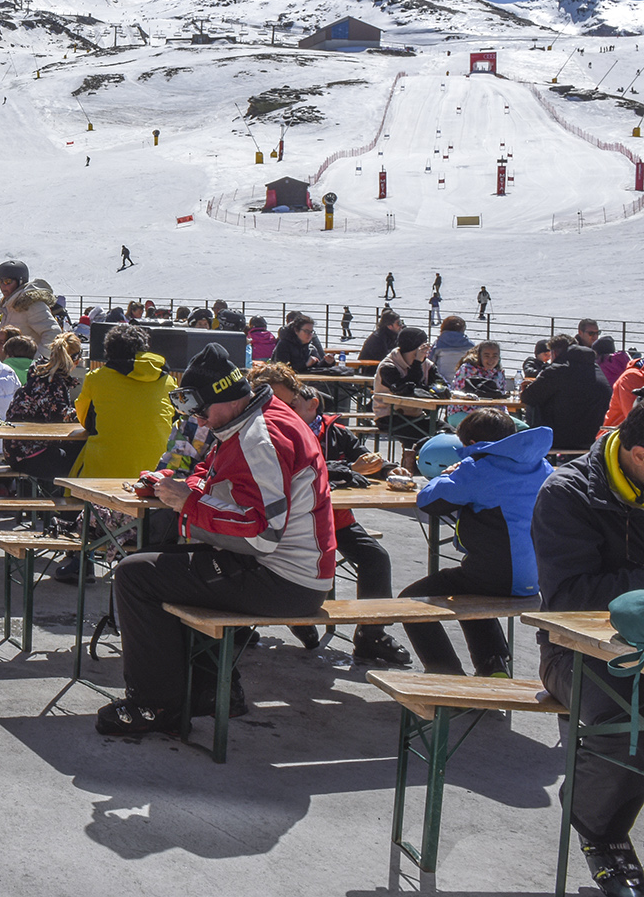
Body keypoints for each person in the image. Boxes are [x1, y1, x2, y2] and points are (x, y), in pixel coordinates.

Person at [96, 345, 335, 736]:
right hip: (282, 569)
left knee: (135, 575)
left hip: (285, 578)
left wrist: (189, 503)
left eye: (202, 408)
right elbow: (211, 475)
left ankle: (157, 704)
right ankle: (211, 690)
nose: (197, 417)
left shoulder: (261, 437)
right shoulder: (247, 421)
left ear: (226, 396)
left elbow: (262, 531)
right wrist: (176, 488)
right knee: (164, 560)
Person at [533, 402, 644, 888]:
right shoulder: (567, 493)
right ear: (639, 455)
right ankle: (601, 830)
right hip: (574, 651)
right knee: (632, 715)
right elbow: (567, 598)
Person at [258, 363, 410, 666]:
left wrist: (390, 469)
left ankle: (371, 634)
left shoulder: (336, 433)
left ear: (307, 403)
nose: (281, 410)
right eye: (271, 403)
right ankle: (276, 624)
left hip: (332, 520)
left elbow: (364, 458)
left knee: (375, 558)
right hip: (278, 523)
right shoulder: (262, 431)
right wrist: (346, 471)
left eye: (288, 404)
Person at [397, 409, 552, 677]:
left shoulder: (479, 468)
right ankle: (493, 665)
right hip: (536, 578)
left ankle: (447, 675)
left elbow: (428, 501)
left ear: (469, 444)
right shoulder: (543, 466)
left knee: (411, 600)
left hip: (499, 577)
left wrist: (450, 472)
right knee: (469, 589)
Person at [72, 324, 175, 480]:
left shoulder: (96, 378)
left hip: (104, 472)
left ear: (108, 350)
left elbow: (85, 420)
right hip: (156, 474)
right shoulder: (167, 380)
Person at [3, 332, 85, 483]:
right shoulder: (53, 382)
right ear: (76, 360)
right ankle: (77, 503)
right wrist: (87, 411)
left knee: (76, 453)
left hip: (14, 451)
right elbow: (60, 418)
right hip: (28, 455)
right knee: (83, 458)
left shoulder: (39, 375)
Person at [524, 332, 615, 451]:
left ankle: (537, 456)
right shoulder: (594, 367)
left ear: (554, 353)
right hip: (597, 436)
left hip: (564, 439)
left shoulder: (558, 369)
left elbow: (527, 397)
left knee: (534, 406)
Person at [372, 327, 438, 459]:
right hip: (389, 416)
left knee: (447, 433)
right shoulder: (389, 366)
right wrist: (417, 363)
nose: (426, 351)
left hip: (417, 416)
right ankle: (410, 468)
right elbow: (405, 389)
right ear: (413, 348)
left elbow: (438, 384)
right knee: (419, 437)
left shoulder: (428, 365)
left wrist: (439, 390)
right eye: (423, 347)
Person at [0, 260, 61, 358]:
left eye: (7, 281)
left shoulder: (31, 305)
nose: (3, 286)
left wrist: (37, 360)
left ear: (20, 281)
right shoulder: (9, 306)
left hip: (26, 369)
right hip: (12, 366)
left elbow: (53, 333)